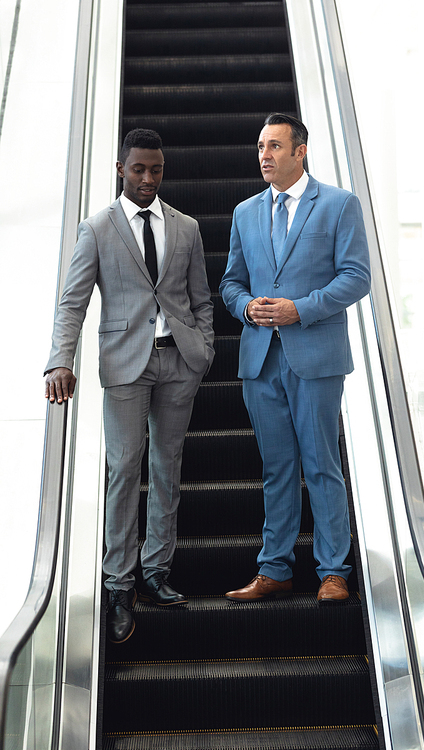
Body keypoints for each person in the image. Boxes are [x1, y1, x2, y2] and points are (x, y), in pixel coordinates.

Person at [45, 128, 214, 642]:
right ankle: (119, 582)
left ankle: (157, 571)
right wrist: (60, 361)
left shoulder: (185, 227)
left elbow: (201, 297)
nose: (147, 178)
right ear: (121, 169)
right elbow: (72, 301)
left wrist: (203, 348)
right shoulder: (96, 228)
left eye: (155, 170)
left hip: (178, 361)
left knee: (168, 466)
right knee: (124, 470)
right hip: (125, 365)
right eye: (138, 169)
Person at [220, 113, 370, 604]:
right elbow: (231, 282)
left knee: (321, 464)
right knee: (276, 467)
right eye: (261, 146)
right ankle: (275, 569)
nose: (265, 155)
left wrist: (299, 310)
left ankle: (333, 572)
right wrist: (245, 306)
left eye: (275, 146)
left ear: (299, 151)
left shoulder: (338, 205)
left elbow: (356, 277)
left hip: (316, 357)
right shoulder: (245, 212)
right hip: (261, 359)